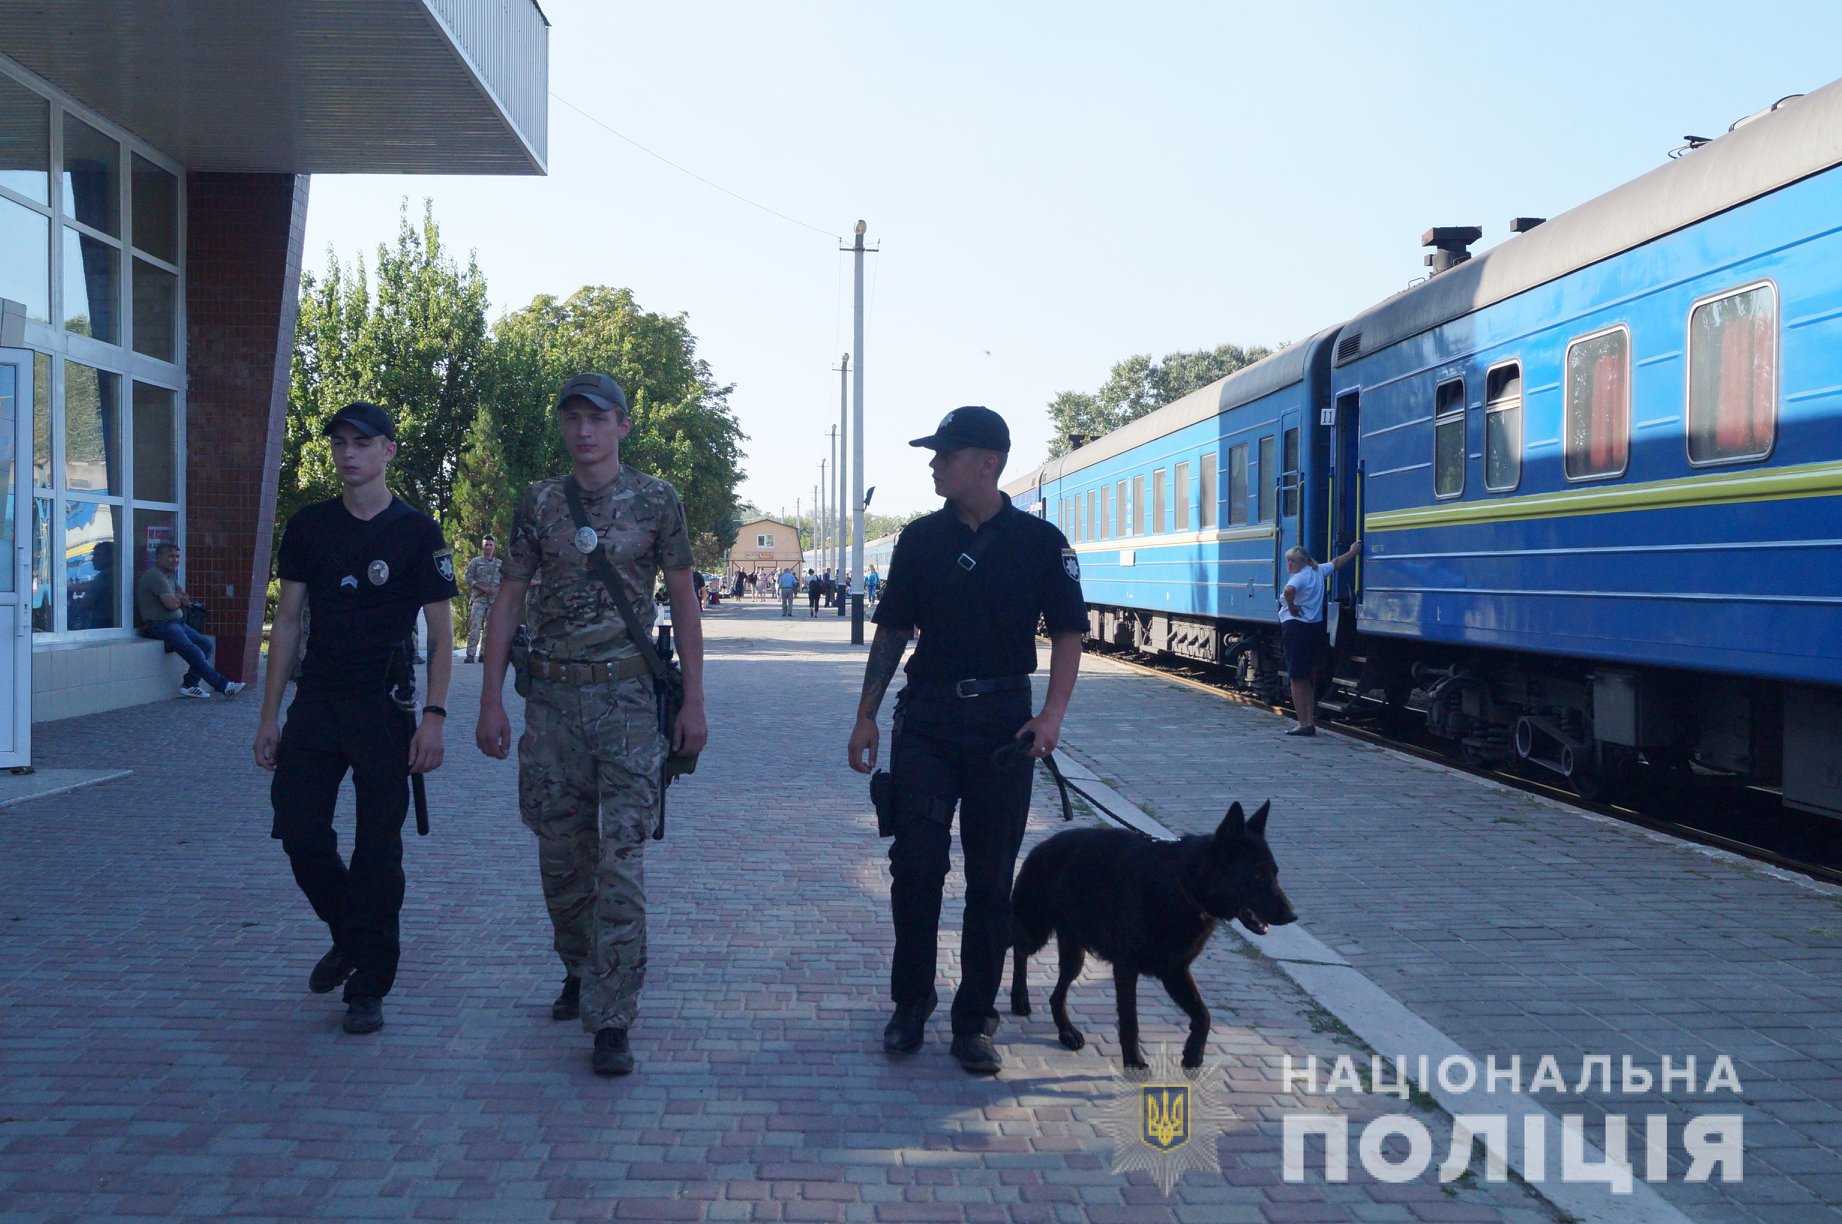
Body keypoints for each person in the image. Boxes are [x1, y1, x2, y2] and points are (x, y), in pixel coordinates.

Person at [475, 371, 708, 1078]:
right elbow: (509, 599)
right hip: (553, 706)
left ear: (623, 426)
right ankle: (580, 966)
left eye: (597, 418)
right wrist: (489, 698)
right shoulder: (540, 503)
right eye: (572, 417)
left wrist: (695, 699)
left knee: (622, 859)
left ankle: (612, 1016)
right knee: (561, 857)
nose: (584, 430)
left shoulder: (658, 500)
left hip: (630, 705)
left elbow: (685, 601)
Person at [847, 405, 1087, 1075]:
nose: (932, 464)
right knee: (916, 867)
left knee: (991, 878)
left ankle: (975, 1020)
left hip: (1004, 728)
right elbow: (892, 631)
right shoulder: (919, 539)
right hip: (925, 722)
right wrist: (865, 715)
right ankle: (910, 1003)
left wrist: (1052, 717)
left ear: (987, 462)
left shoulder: (1042, 544)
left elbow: (1069, 633)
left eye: (945, 455)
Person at [253, 401, 456, 1036]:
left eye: (361, 443)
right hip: (315, 705)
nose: (347, 453)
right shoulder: (308, 526)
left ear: (388, 451)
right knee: (300, 831)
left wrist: (434, 718)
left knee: (378, 850)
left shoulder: (417, 532)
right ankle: (351, 935)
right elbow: (287, 621)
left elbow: (443, 635)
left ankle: (369, 984)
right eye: (339, 442)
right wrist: (268, 716)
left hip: (385, 708)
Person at [136, 542, 245, 699]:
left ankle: (189, 685)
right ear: (158, 557)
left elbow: (186, 600)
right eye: (171, 556)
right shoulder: (154, 575)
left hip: (176, 623)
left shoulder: (170, 576)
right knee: (193, 651)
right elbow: (172, 604)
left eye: (177, 556)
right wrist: (177, 597)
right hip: (160, 624)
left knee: (206, 645)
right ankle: (224, 686)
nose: (175, 560)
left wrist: (177, 597)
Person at [1279, 540, 1363, 737]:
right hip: (1314, 629)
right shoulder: (1317, 571)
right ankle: (1309, 721)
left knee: (1297, 678)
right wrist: (1352, 552)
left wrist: (1291, 607)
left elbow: (1288, 591)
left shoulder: (1299, 578)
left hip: (1295, 628)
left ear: (1303, 562)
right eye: (1287, 562)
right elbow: (1336, 562)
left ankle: (1303, 724)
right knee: (1306, 677)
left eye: (1292, 561)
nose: (1289, 565)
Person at [462, 536, 502, 664]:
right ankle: (470, 654)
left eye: (490, 545)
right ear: (482, 546)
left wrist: (496, 590)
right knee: (475, 627)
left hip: (493, 600)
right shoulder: (475, 562)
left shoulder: (500, 564)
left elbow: (505, 581)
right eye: (486, 545)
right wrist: (482, 588)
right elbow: (468, 578)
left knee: (489, 629)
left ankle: (484, 654)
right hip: (479, 599)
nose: (488, 547)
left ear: (494, 546)